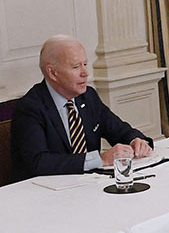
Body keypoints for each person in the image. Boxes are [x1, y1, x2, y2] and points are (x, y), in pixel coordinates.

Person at [11, 35, 153, 180]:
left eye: (85, 64)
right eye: (76, 67)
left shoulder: (88, 97)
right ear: (52, 72)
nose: (85, 73)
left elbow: (120, 130)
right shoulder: (30, 107)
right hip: (47, 189)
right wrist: (100, 159)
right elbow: (38, 162)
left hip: (90, 183)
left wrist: (136, 141)